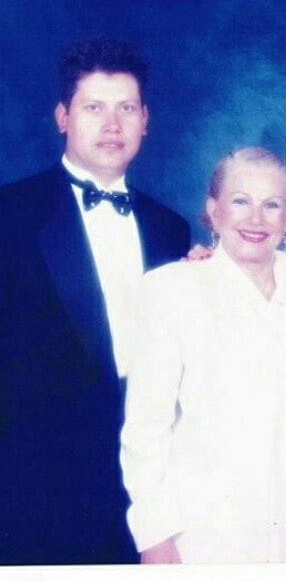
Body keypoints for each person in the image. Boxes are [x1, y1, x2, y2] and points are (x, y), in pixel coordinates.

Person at [0, 37, 190, 565]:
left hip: (143, 496)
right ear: (63, 117)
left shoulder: (171, 229)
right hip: (32, 494)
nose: (112, 124)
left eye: (126, 108)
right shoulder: (9, 216)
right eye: (93, 108)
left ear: (145, 120)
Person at [120, 147, 286, 564]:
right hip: (208, 532)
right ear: (213, 210)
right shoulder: (171, 290)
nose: (256, 219)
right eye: (241, 201)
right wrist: (154, 537)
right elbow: (145, 428)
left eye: (271, 205)